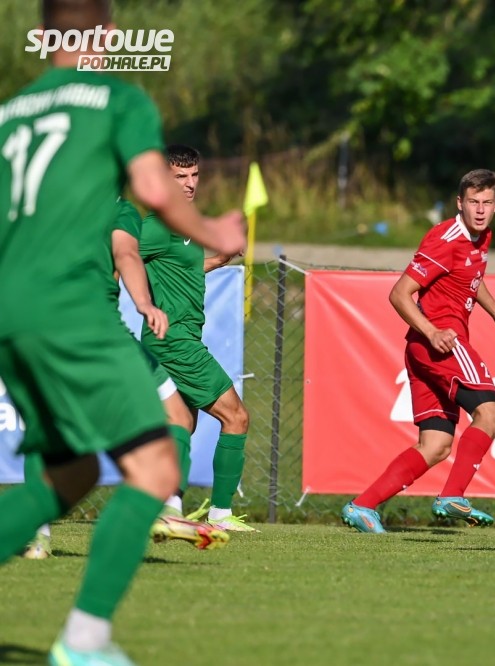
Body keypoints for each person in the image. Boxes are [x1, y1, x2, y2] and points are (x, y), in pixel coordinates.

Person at [0, 2, 244, 665]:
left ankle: (81, 634)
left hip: (13, 311)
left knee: (70, 474)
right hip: (70, 309)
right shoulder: (116, 99)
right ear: (107, 35)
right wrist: (216, 231)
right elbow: (153, 191)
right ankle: (83, 642)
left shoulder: (13, 114)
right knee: (157, 464)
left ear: (43, 37)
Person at [21, 199, 207, 559]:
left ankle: (37, 537)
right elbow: (126, 254)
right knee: (178, 416)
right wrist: (144, 303)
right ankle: (168, 510)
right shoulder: (119, 209)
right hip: (103, 332)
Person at [341, 169, 495, 533]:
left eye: (486, 203)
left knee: (435, 445)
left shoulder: (481, 236)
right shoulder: (445, 238)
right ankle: (452, 495)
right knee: (491, 414)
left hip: (424, 349)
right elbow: (399, 293)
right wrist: (433, 331)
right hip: (440, 343)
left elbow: (469, 278)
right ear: (459, 203)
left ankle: (363, 505)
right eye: (473, 202)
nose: (480, 210)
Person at [139, 144, 254, 532]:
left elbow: (180, 269)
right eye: (179, 177)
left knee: (182, 424)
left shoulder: (181, 223)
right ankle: (220, 514)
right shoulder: (157, 225)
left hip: (180, 338)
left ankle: (167, 507)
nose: (189, 184)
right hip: (175, 341)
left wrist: (219, 260)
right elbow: (117, 250)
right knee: (236, 417)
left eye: (194, 176)